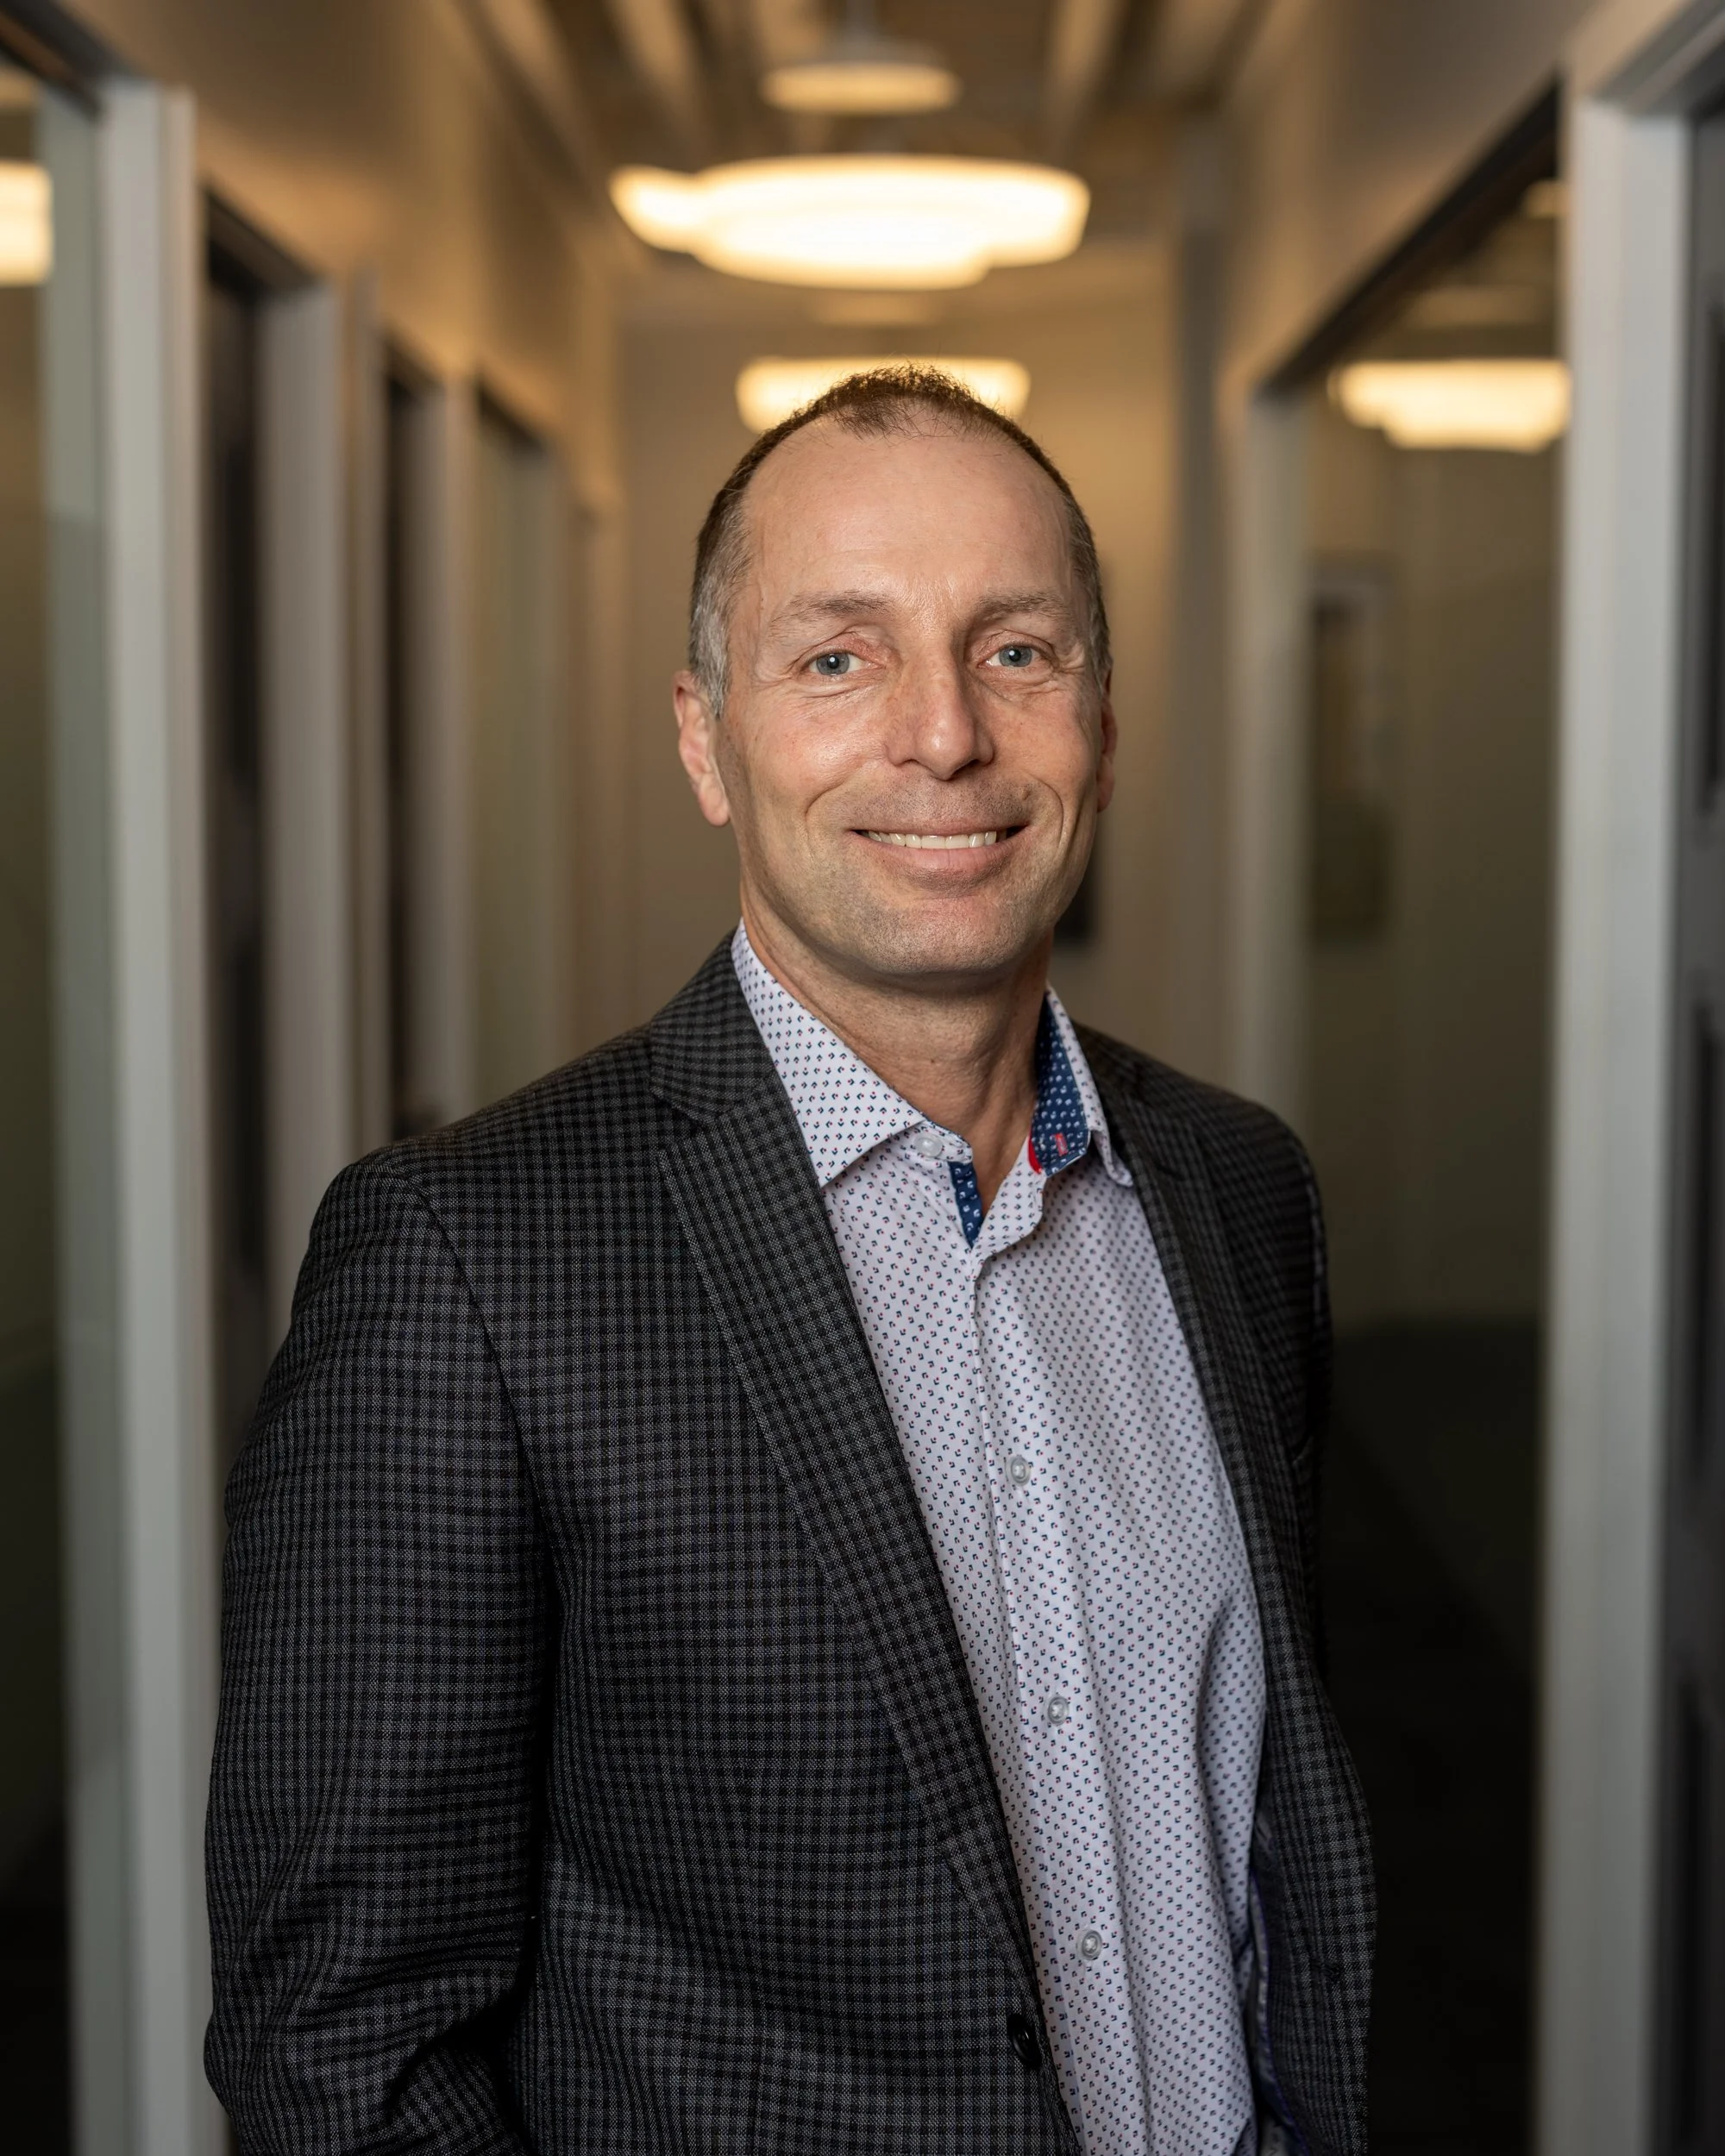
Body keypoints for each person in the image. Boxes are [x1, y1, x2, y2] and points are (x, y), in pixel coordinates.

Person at [204, 367, 1371, 2156]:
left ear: (1104, 727)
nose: (943, 737)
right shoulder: (464, 1265)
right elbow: (340, 2052)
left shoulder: (1237, 1191)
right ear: (703, 739)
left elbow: (1268, 1842)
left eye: (1017, 650)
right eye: (838, 657)